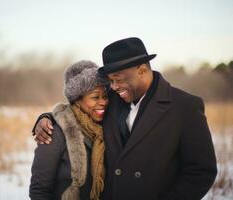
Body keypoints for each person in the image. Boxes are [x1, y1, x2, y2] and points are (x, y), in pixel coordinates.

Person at [33, 37, 217, 200]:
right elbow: (78, 108)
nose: (113, 87)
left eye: (118, 79)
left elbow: (201, 171)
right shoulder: (112, 100)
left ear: (142, 70)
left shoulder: (184, 107)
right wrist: (46, 117)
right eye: (110, 81)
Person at [29, 60, 109, 200]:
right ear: (77, 99)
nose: (103, 102)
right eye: (95, 97)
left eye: (105, 96)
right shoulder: (54, 133)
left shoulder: (105, 128)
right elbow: (39, 191)